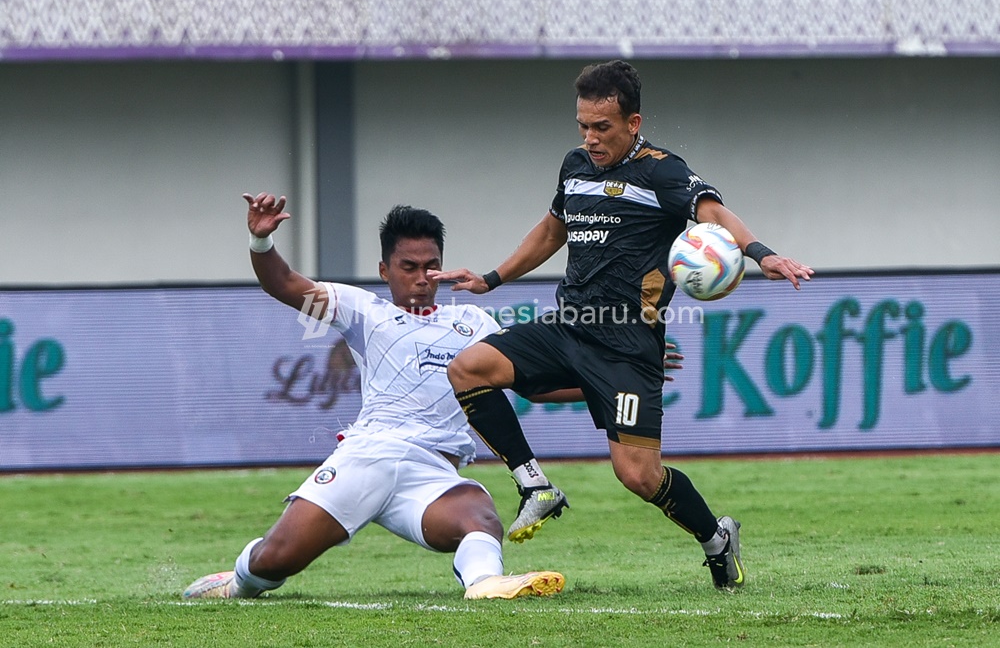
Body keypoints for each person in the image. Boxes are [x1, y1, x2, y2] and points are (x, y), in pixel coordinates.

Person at [429, 60, 814, 591]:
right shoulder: (575, 166)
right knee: (468, 369)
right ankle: (535, 484)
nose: (590, 138)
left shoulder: (662, 171)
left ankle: (715, 538)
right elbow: (551, 230)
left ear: (633, 123)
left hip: (628, 347)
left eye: (602, 127)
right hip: (570, 326)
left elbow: (713, 213)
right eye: (583, 126)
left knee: (638, 475)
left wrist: (761, 254)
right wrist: (493, 278)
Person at [183, 195, 565, 601]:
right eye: (409, 267)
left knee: (480, 516)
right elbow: (285, 284)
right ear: (385, 270)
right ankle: (237, 582)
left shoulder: (475, 322)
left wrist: (607, 389)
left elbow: (531, 384)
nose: (423, 277)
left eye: (431, 266)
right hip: (368, 458)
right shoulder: (362, 310)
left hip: (432, 471)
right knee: (274, 560)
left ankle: (486, 583)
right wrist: (261, 242)